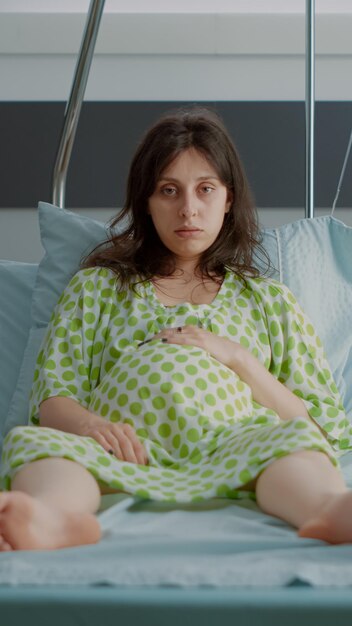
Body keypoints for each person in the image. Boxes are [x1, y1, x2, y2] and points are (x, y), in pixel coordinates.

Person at [1, 106, 352, 553]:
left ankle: (330, 509)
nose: (188, 209)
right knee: (40, 448)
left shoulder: (268, 300)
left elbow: (319, 427)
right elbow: (53, 400)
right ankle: (52, 518)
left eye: (205, 189)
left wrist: (237, 358)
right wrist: (92, 426)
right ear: (146, 203)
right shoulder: (97, 287)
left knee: (296, 449)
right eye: (169, 190)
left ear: (228, 199)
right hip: (120, 447)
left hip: (238, 441)